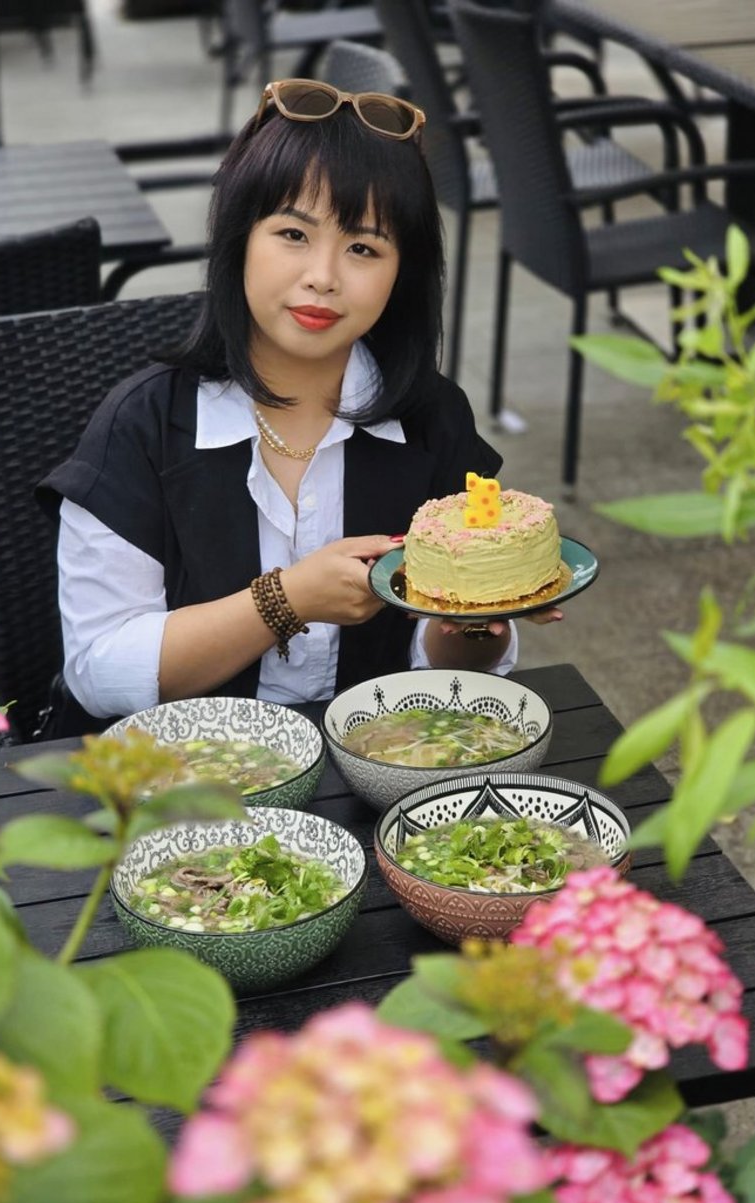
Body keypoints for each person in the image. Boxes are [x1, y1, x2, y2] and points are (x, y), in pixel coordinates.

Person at [38, 79, 559, 724]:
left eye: (364, 248)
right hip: (179, 786)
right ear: (239, 239)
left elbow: (443, 677)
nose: (324, 276)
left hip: (370, 764)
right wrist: (283, 602)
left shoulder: (433, 420)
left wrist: (477, 616)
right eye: (293, 234)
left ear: (403, 275)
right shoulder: (143, 425)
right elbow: (98, 670)